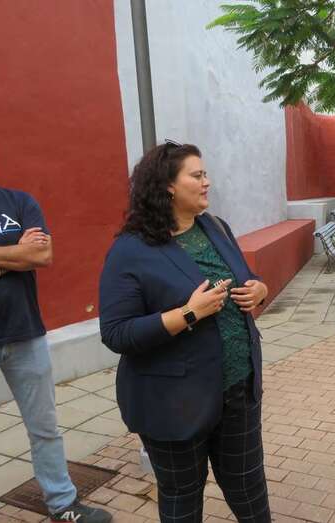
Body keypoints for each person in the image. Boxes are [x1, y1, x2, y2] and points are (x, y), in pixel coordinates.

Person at [99, 141, 271, 523]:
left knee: (249, 489)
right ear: (168, 186)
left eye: (205, 174)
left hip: (237, 389)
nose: (207, 182)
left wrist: (259, 288)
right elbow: (116, 332)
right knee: (182, 496)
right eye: (197, 175)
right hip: (173, 400)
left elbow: (246, 276)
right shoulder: (131, 249)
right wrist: (188, 314)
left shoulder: (216, 227)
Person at [0, 118, 112, 523]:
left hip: (26, 337)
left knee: (45, 429)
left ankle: (62, 504)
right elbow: (25, 256)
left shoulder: (19, 203)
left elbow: (41, 255)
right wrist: (12, 256)